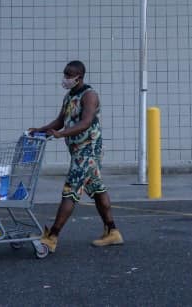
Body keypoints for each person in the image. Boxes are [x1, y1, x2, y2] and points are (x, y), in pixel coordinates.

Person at [28, 60, 122, 252]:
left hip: (88, 151)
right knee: (97, 189)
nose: (65, 79)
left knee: (70, 192)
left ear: (79, 77)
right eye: (65, 74)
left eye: (69, 75)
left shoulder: (90, 95)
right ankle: (113, 232)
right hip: (78, 151)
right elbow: (60, 121)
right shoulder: (70, 96)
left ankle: (52, 236)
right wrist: (41, 130)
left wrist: (61, 134)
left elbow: (86, 122)